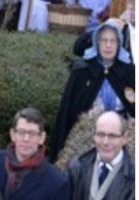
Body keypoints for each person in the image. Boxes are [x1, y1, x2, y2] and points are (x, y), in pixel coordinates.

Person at [51, 22, 134, 159]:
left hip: (123, 135)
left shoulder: (129, 71)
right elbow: (68, 111)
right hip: (87, 135)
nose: (108, 45)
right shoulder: (82, 71)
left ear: (119, 44)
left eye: (113, 41)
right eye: (104, 40)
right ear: (96, 42)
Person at [66, 111, 134, 200]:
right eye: (100, 134)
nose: (105, 141)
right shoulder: (76, 168)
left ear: (126, 137)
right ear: (94, 135)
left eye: (112, 136)